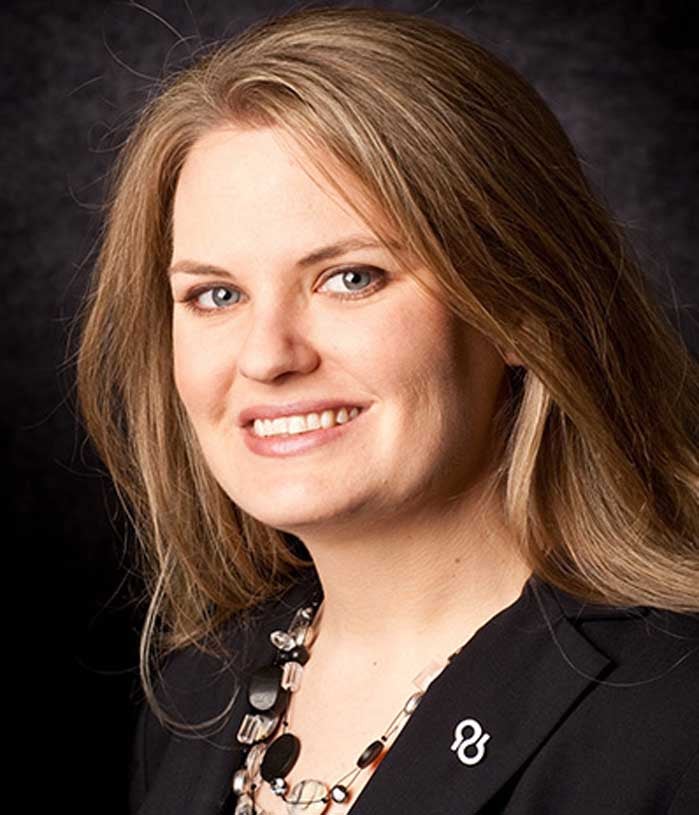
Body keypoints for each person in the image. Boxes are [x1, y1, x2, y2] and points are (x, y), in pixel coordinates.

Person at [73, 5, 699, 814]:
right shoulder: (199, 695)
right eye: (215, 293)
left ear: (517, 308)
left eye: (350, 277)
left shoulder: (673, 711)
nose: (267, 356)